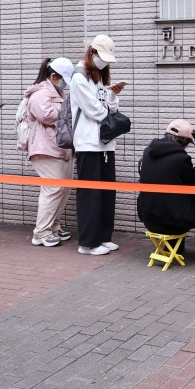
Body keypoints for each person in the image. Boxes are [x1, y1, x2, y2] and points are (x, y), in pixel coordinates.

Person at [137, 119, 195, 263]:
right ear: (184, 141)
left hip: (149, 219)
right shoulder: (181, 158)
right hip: (172, 222)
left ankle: (173, 247)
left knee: (169, 198)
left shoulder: (148, 151)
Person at [71, 34, 123, 255]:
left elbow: (108, 107)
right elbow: (93, 110)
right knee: (90, 195)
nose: (104, 62)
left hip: (104, 142)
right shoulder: (79, 76)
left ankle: (103, 237)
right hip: (87, 143)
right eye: (102, 57)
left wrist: (113, 96)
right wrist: (108, 111)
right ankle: (88, 243)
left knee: (106, 193)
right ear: (91, 52)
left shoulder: (98, 77)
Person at [24, 57, 76, 247]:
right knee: (53, 189)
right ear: (53, 76)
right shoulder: (40, 93)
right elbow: (46, 115)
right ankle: (41, 232)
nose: (64, 83)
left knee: (63, 189)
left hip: (60, 148)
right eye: (62, 79)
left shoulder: (57, 91)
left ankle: (53, 226)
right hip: (45, 148)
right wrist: (68, 114)